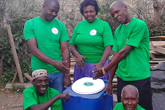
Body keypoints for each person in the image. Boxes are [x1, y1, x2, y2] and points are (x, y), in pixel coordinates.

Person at [93, 1, 152, 110]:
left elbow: (125, 51)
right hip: (122, 78)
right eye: (113, 15)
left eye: (117, 12)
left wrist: (105, 69)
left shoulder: (139, 25)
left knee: (143, 107)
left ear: (125, 8)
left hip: (139, 77)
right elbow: (116, 56)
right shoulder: (118, 31)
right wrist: (110, 81)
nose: (115, 16)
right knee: (124, 107)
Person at [23, 0, 71, 93]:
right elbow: (33, 49)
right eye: (51, 10)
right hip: (40, 73)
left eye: (56, 12)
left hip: (58, 73)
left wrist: (67, 75)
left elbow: (65, 50)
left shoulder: (60, 25)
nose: (54, 14)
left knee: (57, 101)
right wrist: (54, 63)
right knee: (42, 102)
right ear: (44, 6)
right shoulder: (30, 24)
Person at [69, 0, 114, 82]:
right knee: (81, 92)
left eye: (91, 11)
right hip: (81, 66)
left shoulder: (104, 25)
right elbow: (72, 45)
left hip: (98, 67)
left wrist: (101, 63)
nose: (88, 14)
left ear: (96, 11)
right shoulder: (80, 25)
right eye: (85, 12)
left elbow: (108, 46)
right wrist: (77, 55)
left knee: (98, 92)